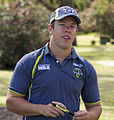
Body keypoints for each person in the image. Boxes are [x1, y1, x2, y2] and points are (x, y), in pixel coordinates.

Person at [6, 6, 102, 120]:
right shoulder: (29, 61)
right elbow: (11, 102)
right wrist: (42, 109)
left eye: (72, 26)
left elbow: (95, 107)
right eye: (62, 24)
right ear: (50, 28)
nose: (67, 29)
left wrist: (90, 116)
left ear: (76, 32)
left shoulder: (86, 68)